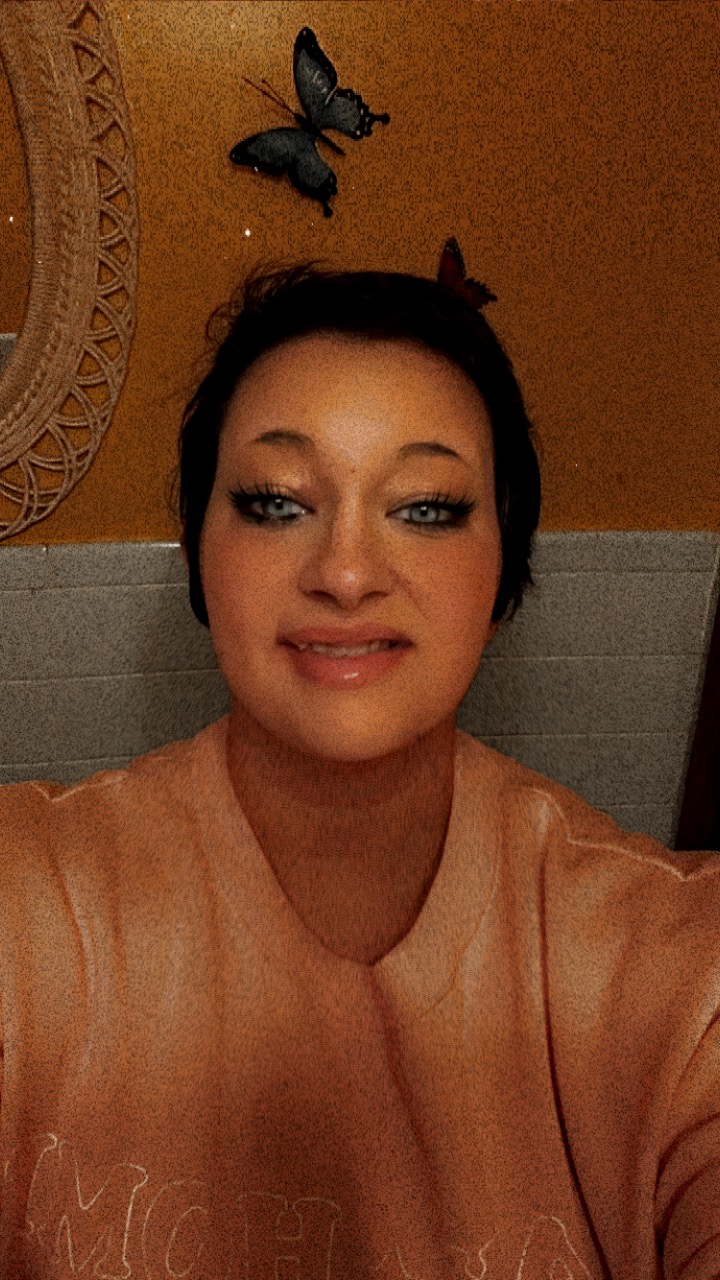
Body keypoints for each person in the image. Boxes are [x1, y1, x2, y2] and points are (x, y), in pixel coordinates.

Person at [0, 261, 718, 1280]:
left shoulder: (675, 973)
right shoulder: (27, 908)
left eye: (425, 507)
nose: (344, 572)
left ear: (504, 567)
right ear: (198, 551)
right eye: (274, 502)